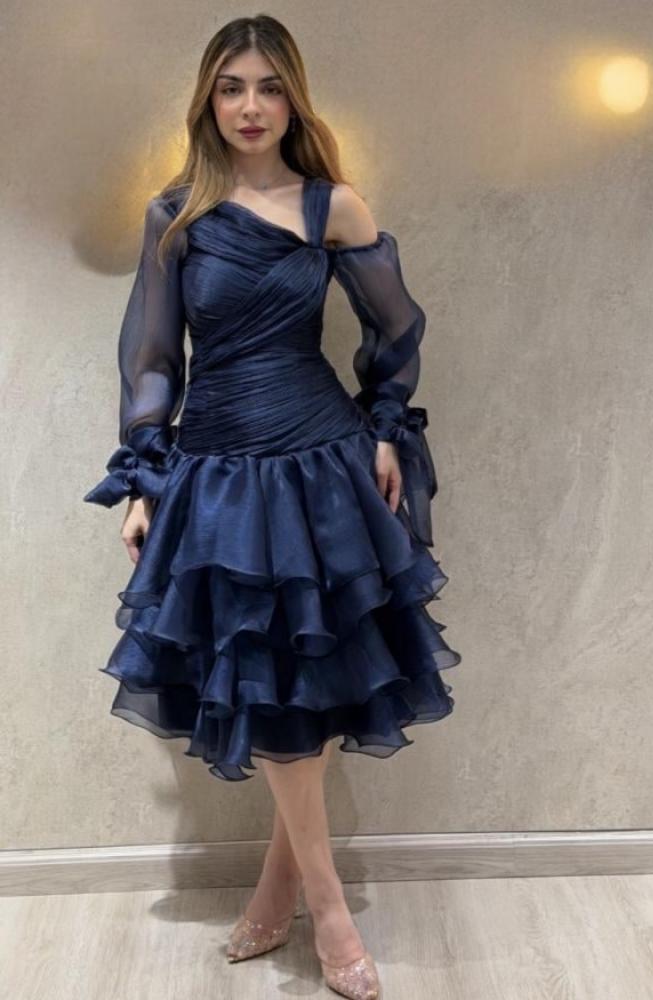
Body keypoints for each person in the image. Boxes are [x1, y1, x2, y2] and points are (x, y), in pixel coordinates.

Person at [83, 14, 461, 1000]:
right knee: (270, 677)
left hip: (321, 460)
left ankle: (300, 895)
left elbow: (395, 331)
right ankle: (313, 900)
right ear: (207, 101)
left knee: (311, 675)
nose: (250, 106)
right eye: (231, 87)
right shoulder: (175, 216)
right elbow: (152, 358)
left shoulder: (335, 206)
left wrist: (386, 426)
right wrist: (142, 478)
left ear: (294, 97)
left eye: (269, 86)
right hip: (218, 469)